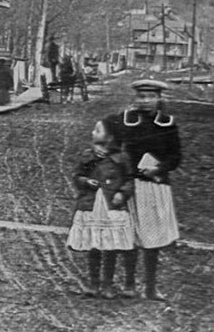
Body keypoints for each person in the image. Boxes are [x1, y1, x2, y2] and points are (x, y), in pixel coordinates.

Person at [105, 79, 181, 301]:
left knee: (153, 238)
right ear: (135, 98)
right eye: (141, 97)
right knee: (129, 235)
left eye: (150, 97)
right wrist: (122, 169)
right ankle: (129, 285)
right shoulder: (125, 121)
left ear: (159, 98)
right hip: (130, 185)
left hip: (156, 185)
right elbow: (111, 150)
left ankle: (150, 287)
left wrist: (158, 168)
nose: (145, 102)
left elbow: (176, 157)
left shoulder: (167, 123)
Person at [66, 119, 134, 298]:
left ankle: (108, 285)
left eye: (98, 130)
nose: (93, 133)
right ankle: (93, 283)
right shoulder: (88, 156)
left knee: (110, 247)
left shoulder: (121, 158)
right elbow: (77, 176)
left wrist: (122, 193)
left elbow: (129, 180)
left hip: (112, 207)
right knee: (94, 245)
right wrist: (86, 181)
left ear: (110, 137)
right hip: (92, 206)